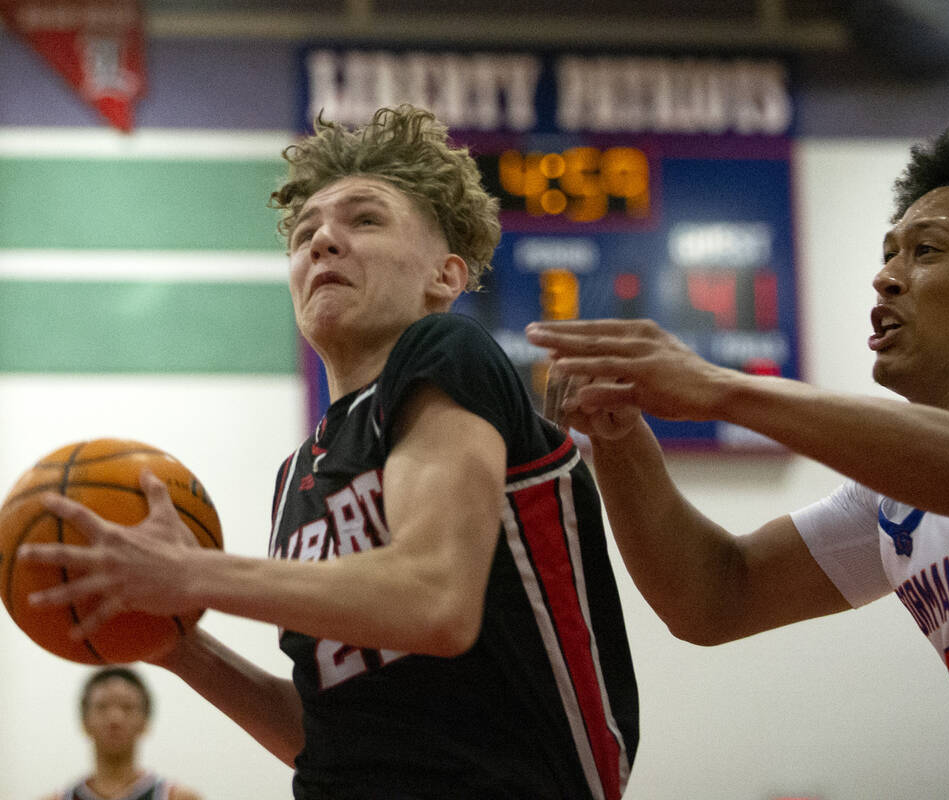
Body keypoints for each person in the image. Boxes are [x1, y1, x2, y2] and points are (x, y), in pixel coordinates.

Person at [525, 122, 949, 798]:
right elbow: (715, 597)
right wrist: (619, 441)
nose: (886, 277)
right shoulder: (899, 496)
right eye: (888, 254)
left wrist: (721, 389)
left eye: (925, 251)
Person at [20, 104, 638, 799]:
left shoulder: (448, 351)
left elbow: (436, 600)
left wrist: (191, 575)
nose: (322, 243)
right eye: (306, 232)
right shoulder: (297, 477)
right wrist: (180, 647)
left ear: (446, 275)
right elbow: (327, 738)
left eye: (364, 220)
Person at [42, 666, 202, 800]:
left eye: (127, 707)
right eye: (102, 707)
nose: (115, 718)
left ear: (145, 722)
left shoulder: (177, 797)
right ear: (84, 722)